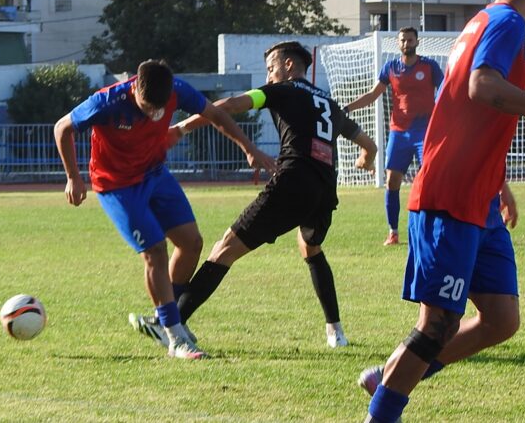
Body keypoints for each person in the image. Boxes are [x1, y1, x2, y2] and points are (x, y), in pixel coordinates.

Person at [361, 0, 525, 421]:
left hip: (476, 196)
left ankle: (393, 375)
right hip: (451, 197)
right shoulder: (506, 23)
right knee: (437, 325)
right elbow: (483, 88)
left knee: (501, 320)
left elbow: (460, 114)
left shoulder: (483, 20)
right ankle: (383, 408)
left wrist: (497, 181)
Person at [130, 42, 377, 349]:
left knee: (224, 249)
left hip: (294, 180)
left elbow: (230, 105)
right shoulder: (330, 103)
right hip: (325, 189)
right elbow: (369, 144)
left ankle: (169, 323)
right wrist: (367, 159)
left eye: (271, 68)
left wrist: (182, 128)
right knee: (310, 248)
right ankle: (335, 332)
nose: (269, 76)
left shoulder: (283, 90)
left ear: (288, 65)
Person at [53, 59, 276, 360]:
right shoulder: (107, 101)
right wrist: (73, 177)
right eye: (147, 107)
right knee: (155, 251)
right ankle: (175, 336)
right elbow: (62, 127)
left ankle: (162, 319)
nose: (155, 114)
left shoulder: (177, 90)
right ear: (135, 89)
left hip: (155, 174)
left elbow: (215, 114)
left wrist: (249, 147)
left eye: (160, 109)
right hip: (117, 185)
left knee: (191, 242)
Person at [344, 27, 444, 246]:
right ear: (398, 44)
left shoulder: (429, 66)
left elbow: (445, 89)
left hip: (425, 131)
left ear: (417, 41)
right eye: (403, 40)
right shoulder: (390, 68)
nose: (406, 43)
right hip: (399, 132)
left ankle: (432, 229)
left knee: (429, 180)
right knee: (392, 181)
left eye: (410, 39)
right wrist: (347, 108)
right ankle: (393, 232)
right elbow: (372, 95)